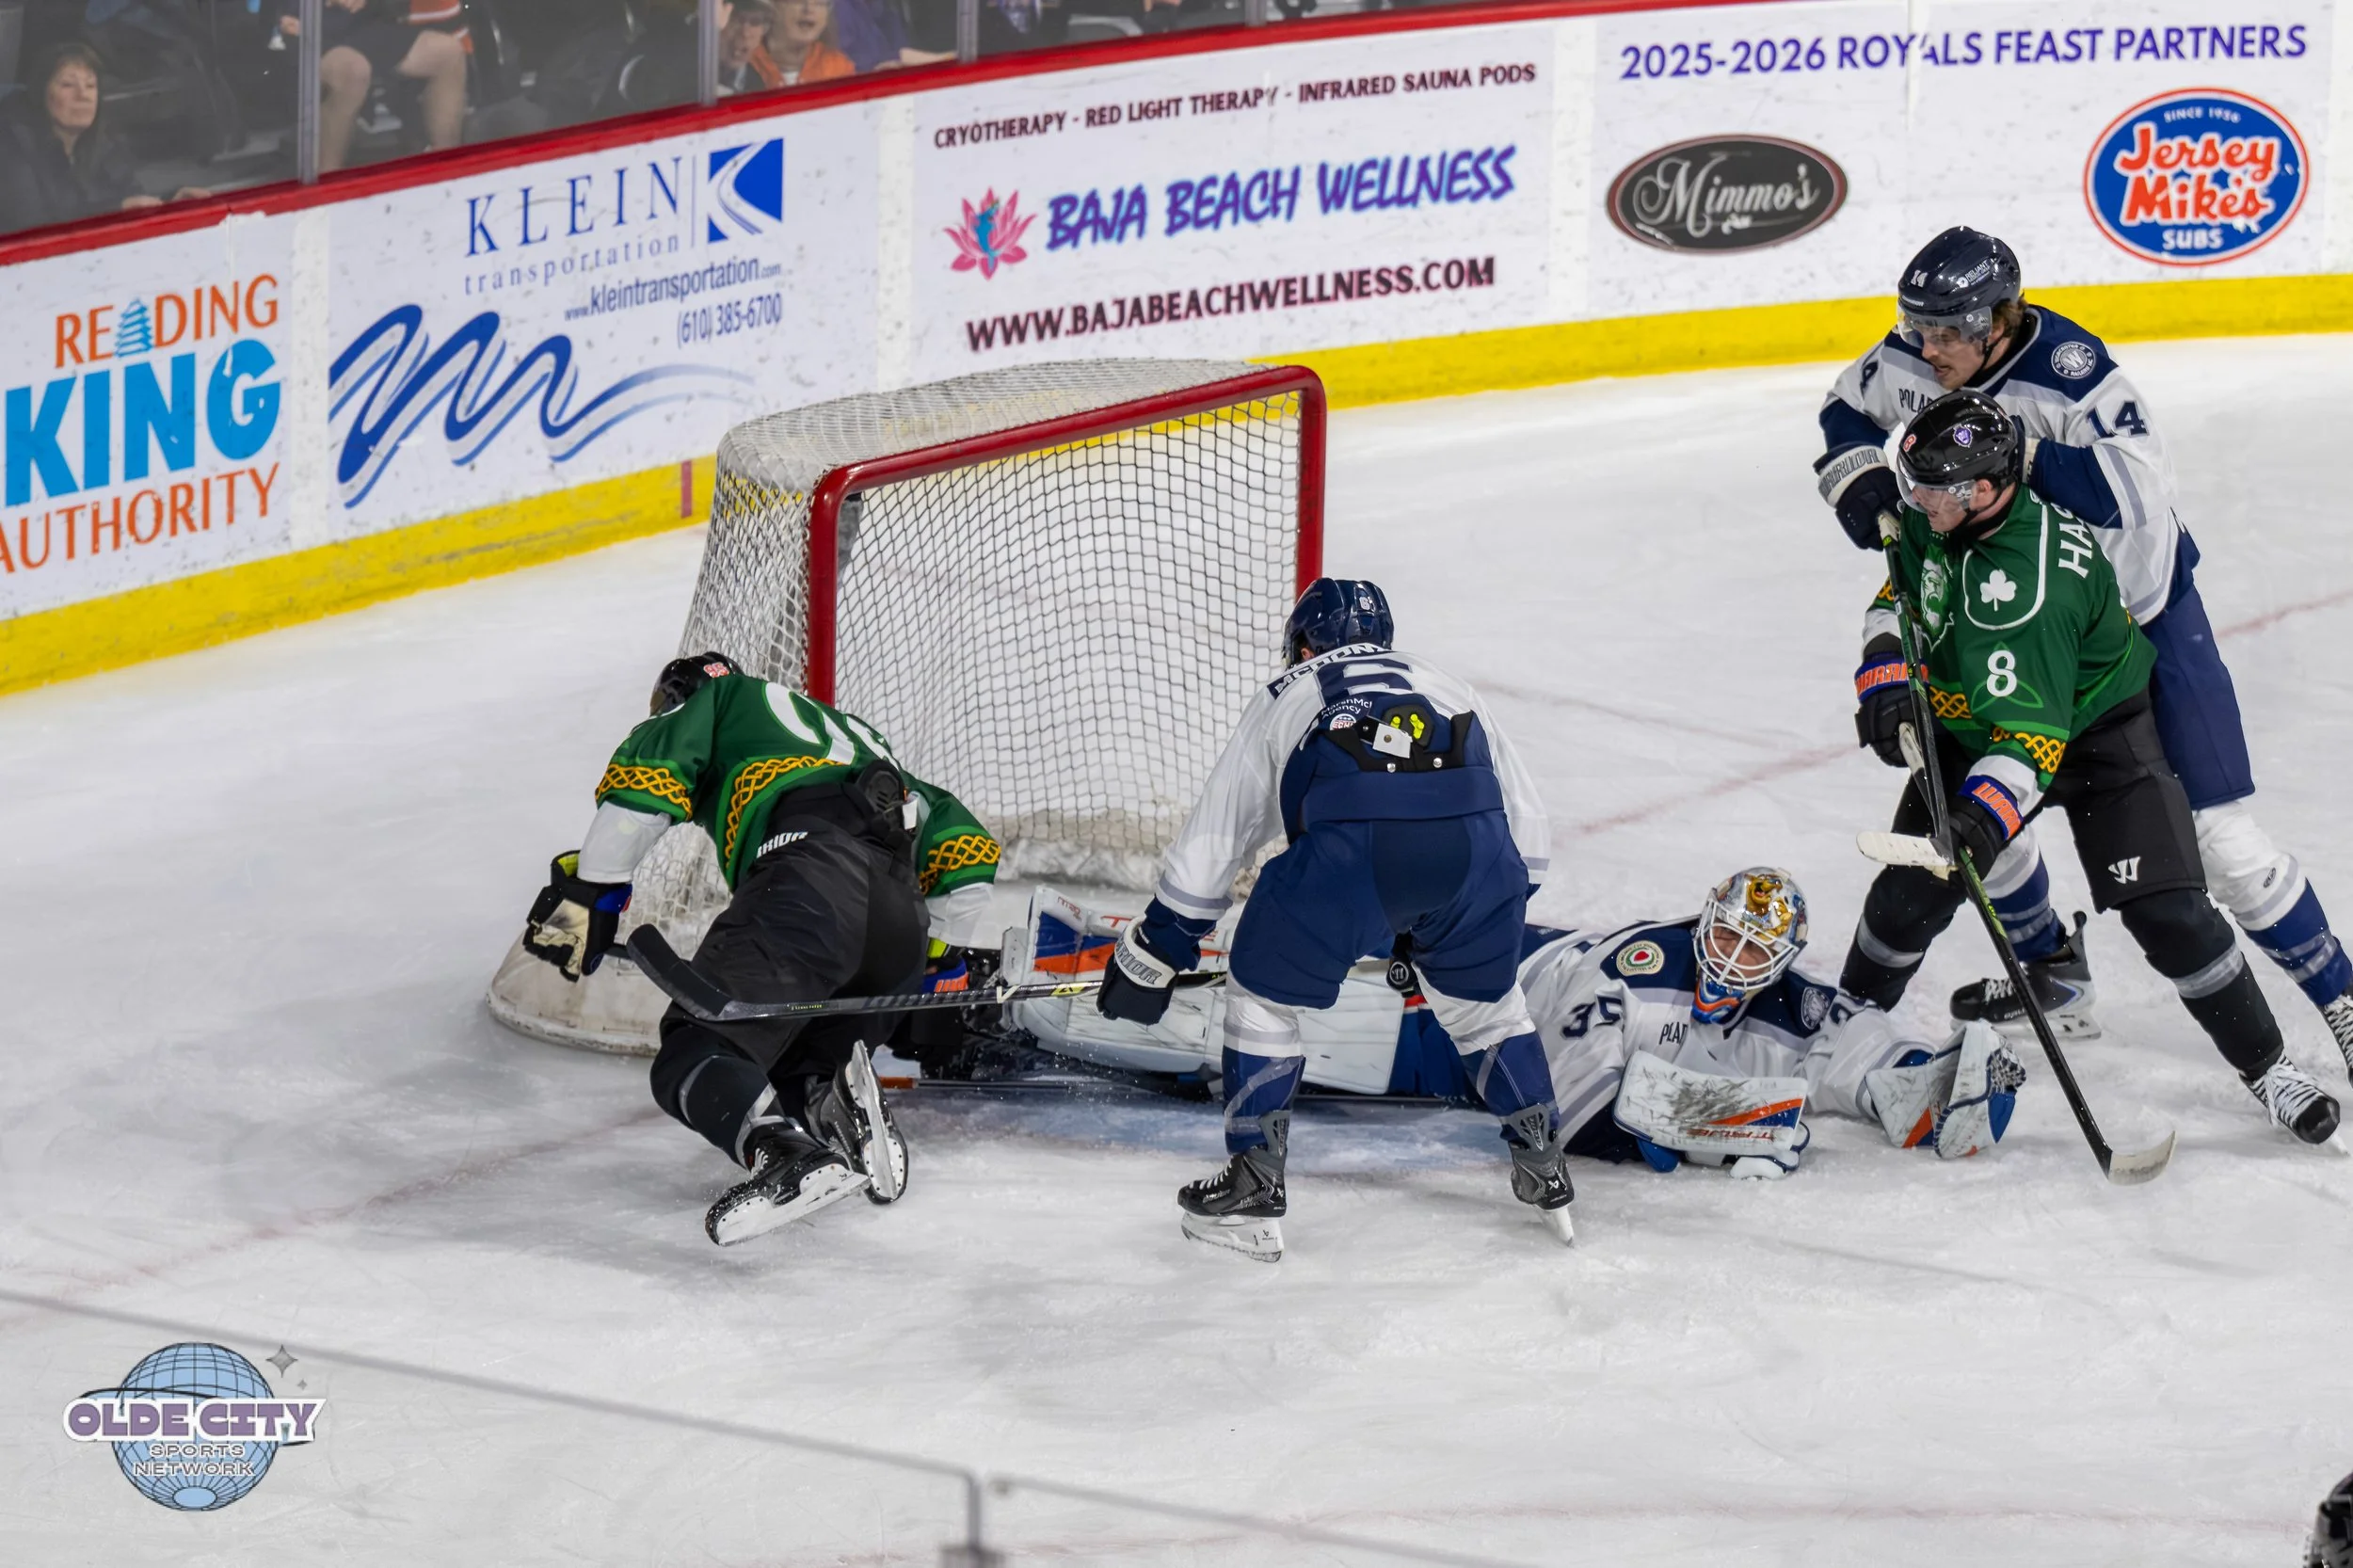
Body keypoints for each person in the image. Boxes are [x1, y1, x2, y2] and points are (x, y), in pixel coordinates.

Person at [1813, 227, 2353, 1069]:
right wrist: (1861, 476)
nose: (1930, 348)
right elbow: (1848, 406)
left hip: (2136, 628)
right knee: (1981, 806)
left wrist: (2023, 455)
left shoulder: (2072, 376)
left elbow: (2142, 492)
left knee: (2222, 845)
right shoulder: (1917, 355)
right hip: (2008, 624)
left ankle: (2343, 1001)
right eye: (1920, 326)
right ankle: (2055, 972)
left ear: (2002, 318)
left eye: (1952, 330)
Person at [1837, 390, 2338, 1144]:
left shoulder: (2028, 597)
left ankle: (2270, 1068)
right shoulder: (1942, 510)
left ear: (1984, 490)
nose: (1911, 501)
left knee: (2168, 913)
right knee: (1910, 894)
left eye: (1929, 488)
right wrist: (1883, 664)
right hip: (1989, 718)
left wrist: (1979, 821)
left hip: (2096, 737)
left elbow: (2031, 745)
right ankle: (1842, 1027)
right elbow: (1902, 588)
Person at [1094, 579, 1572, 1261]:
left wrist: (1158, 947)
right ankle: (1545, 1167)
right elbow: (1527, 841)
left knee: (1259, 998)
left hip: (1353, 860)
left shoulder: (1288, 692)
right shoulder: (1447, 683)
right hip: (1482, 865)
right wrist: (1436, 927)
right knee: (1490, 1013)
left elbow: (1218, 840)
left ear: (1306, 643)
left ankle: (1254, 1185)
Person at [1011, 869, 2027, 1172]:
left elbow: (1848, 1037)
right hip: (1432, 1011)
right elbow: (1572, 1111)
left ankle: (1067, 977)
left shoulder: (1784, 991)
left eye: (1757, 956)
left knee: (1252, 1006)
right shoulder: (1631, 968)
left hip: (1444, 1019)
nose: (1735, 967)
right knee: (1232, 1016)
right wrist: (1713, 1123)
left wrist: (1926, 1080)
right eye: (1725, 941)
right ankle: (1034, 993)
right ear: (1701, 923)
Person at [519, 653, 1002, 1245]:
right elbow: (968, 850)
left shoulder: (716, 700)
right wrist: (935, 958)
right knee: (784, 1059)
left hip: (812, 879)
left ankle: (783, 1156)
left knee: (695, 1049)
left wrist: (590, 892)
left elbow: (647, 782)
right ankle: (834, 1100)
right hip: (901, 918)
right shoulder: (853, 739)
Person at [0, 42, 208, 233]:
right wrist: (115, 211)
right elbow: (31, 227)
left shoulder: (105, 147)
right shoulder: (13, 149)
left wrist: (169, 203)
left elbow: (131, 197)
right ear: (41, 94)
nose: (84, 95)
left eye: (91, 86)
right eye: (67, 85)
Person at [277, 0, 468, 172]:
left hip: (362, 25)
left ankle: (445, 166)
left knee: (448, 52)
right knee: (353, 70)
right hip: (302, 25)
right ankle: (326, 179)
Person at [753, 0, 856, 88]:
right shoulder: (745, 62)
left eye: (819, 2)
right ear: (772, 6)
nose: (809, 9)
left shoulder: (837, 67)